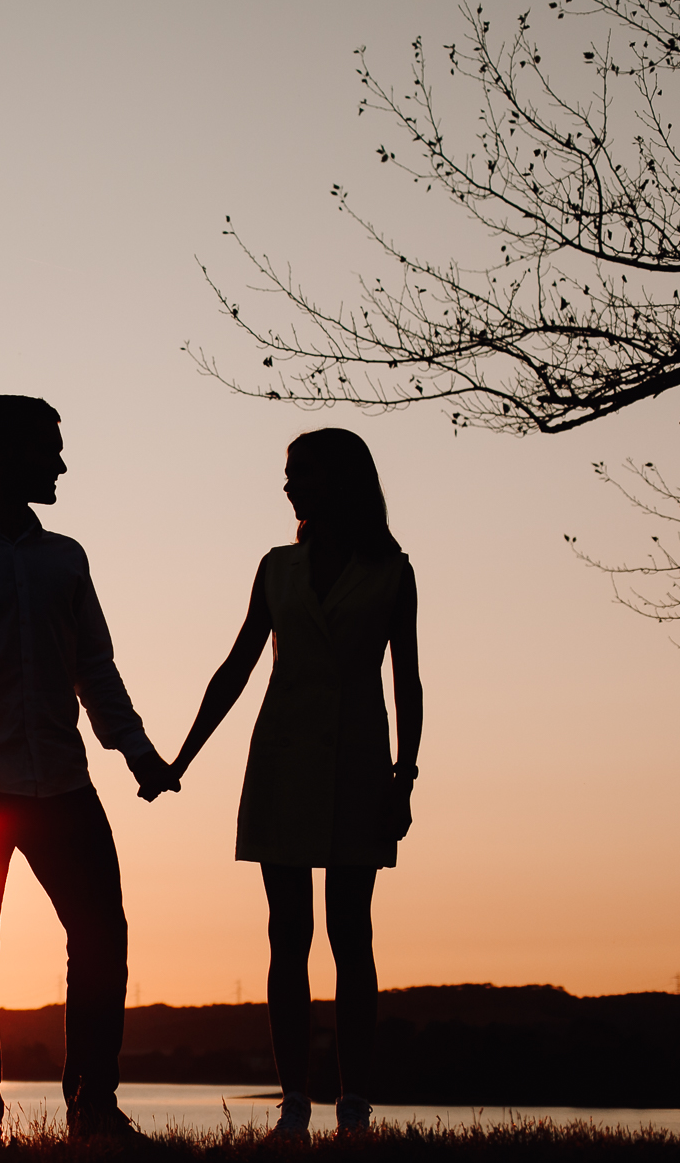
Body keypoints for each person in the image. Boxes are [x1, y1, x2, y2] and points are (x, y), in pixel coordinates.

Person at [0, 395, 180, 1151]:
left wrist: (137, 750)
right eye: (49, 448)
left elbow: (93, 668)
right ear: (1, 452)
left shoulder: (65, 559)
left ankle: (92, 1112)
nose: (60, 463)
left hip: (64, 782)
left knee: (101, 940)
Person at [166, 427, 423, 1139]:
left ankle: (355, 1107)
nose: (288, 484)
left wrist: (405, 776)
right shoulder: (276, 567)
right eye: (288, 472)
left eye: (300, 472)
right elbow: (236, 668)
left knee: (351, 934)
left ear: (339, 480)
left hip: (358, 762)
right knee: (287, 936)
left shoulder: (392, 572)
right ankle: (295, 1105)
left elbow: (408, 682)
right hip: (280, 760)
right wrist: (180, 760)